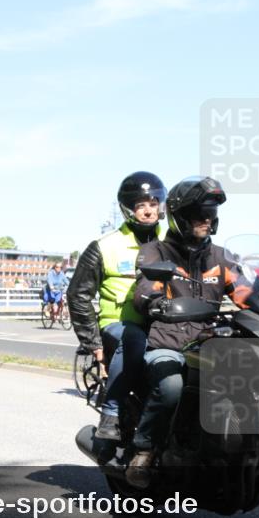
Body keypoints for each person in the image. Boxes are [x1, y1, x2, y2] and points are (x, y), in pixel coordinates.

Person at [128, 176, 252, 488]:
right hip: (167, 343)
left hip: (209, 345)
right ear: (180, 216)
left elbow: (246, 294)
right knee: (170, 386)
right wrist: (158, 304)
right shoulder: (155, 253)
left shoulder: (222, 257)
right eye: (200, 213)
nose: (207, 219)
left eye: (211, 213)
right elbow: (145, 290)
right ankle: (145, 450)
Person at [68, 171, 167, 443]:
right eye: (140, 205)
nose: (148, 211)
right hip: (119, 325)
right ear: (128, 209)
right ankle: (110, 413)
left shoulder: (172, 243)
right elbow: (78, 295)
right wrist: (94, 345)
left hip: (165, 325)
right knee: (134, 337)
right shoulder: (104, 246)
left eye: (153, 204)